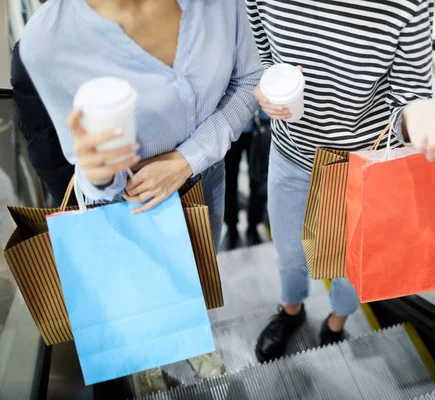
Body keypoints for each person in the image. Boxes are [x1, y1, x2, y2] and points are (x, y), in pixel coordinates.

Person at [247, 0, 435, 363]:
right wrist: (261, 83)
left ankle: (336, 323)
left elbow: (407, 96)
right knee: (289, 250)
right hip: (290, 152)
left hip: (361, 167)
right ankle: (291, 311)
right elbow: (256, 51)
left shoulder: (407, 5)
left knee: (352, 264)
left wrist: (414, 117)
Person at [20, 0, 262, 240]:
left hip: (208, 176)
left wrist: (190, 158)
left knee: (207, 274)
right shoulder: (46, 40)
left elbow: (248, 79)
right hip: (129, 203)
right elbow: (79, 163)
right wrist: (100, 175)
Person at [11, 41, 75, 206]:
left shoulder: (33, 45)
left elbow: (44, 149)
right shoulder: (36, 47)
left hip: (78, 188)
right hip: (84, 186)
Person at [224, 110, 270, 250]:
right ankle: (231, 227)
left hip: (259, 124)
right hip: (228, 126)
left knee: (259, 180)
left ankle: (253, 226)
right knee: (227, 182)